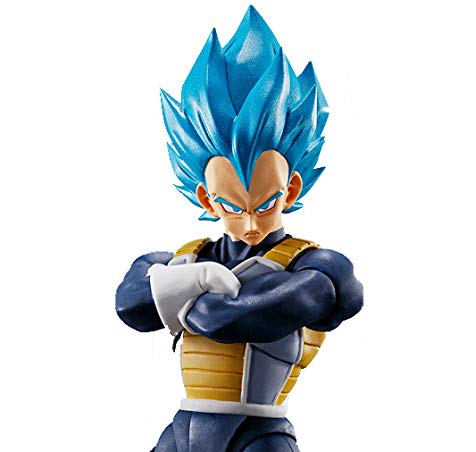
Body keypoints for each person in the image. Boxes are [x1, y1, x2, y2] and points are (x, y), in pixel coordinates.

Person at [116, 6, 363, 451]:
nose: (249, 223)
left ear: (290, 189)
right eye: (231, 206)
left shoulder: (318, 267)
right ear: (206, 198)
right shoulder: (189, 256)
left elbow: (229, 317)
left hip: (259, 434)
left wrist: (176, 293)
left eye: (264, 203)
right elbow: (129, 304)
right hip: (183, 429)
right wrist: (194, 280)